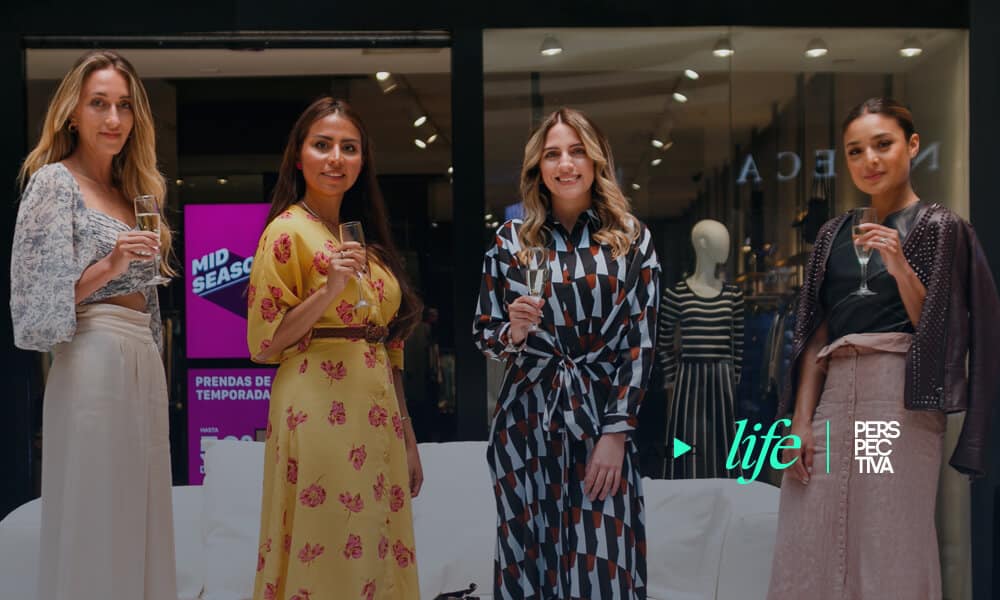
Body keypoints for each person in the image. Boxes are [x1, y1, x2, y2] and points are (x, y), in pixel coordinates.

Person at [767, 97, 1000, 599]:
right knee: (809, 528)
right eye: (855, 151)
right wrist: (800, 424)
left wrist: (898, 264)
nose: (869, 160)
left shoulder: (939, 226)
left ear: (912, 146)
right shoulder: (832, 234)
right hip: (833, 397)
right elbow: (816, 333)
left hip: (893, 399)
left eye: (882, 144)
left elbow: (939, 330)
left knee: (885, 533)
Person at [473, 107, 660, 599]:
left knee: (604, 561)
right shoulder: (511, 240)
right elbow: (485, 336)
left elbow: (640, 344)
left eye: (577, 151)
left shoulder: (632, 239)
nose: (566, 164)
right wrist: (514, 330)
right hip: (525, 421)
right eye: (553, 154)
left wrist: (616, 432)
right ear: (538, 167)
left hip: (600, 416)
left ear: (596, 160)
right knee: (528, 560)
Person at [10, 50, 176, 599]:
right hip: (92, 357)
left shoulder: (136, 193)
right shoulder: (53, 184)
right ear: (72, 114)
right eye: (98, 103)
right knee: (96, 510)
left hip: (142, 357)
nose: (113, 118)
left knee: (141, 510)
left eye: (124, 106)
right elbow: (34, 313)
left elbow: (148, 301)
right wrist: (112, 264)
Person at [247, 97, 424, 600]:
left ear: (362, 161)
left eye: (349, 148)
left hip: (377, 412)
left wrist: (407, 432)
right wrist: (328, 291)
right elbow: (263, 342)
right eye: (322, 145)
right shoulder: (286, 232)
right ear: (298, 157)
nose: (335, 158)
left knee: (375, 538)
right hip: (317, 408)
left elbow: (389, 345)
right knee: (326, 536)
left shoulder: (365, 240)